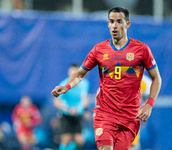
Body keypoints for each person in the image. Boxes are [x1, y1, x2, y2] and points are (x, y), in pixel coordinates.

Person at [51, 7, 162, 150]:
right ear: (108, 24)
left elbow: (156, 78)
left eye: (119, 21)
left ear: (127, 24)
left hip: (130, 116)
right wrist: (66, 86)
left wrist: (149, 104)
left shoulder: (141, 50)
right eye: (111, 21)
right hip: (105, 113)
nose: (115, 25)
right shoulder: (99, 50)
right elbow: (79, 74)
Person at [53, 63, 90, 150]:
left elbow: (84, 98)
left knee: (80, 141)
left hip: (78, 114)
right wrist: (69, 110)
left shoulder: (84, 84)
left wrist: (85, 111)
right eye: (71, 71)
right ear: (68, 72)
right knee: (66, 139)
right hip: (65, 115)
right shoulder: (63, 84)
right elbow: (57, 102)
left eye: (75, 71)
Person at [129, 74, 152, 150]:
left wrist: (143, 116)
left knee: (132, 143)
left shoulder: (146, 82)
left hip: (134, 118)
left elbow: (146, 104)